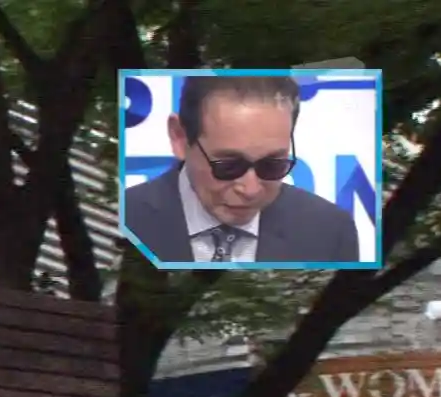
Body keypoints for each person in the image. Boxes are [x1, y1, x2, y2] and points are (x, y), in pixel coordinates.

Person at [122, 74, 361, 265]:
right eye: (229, 166)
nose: (251, 190)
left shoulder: (331, 232)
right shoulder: (127, 217)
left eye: (272, 165)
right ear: (180, 138)